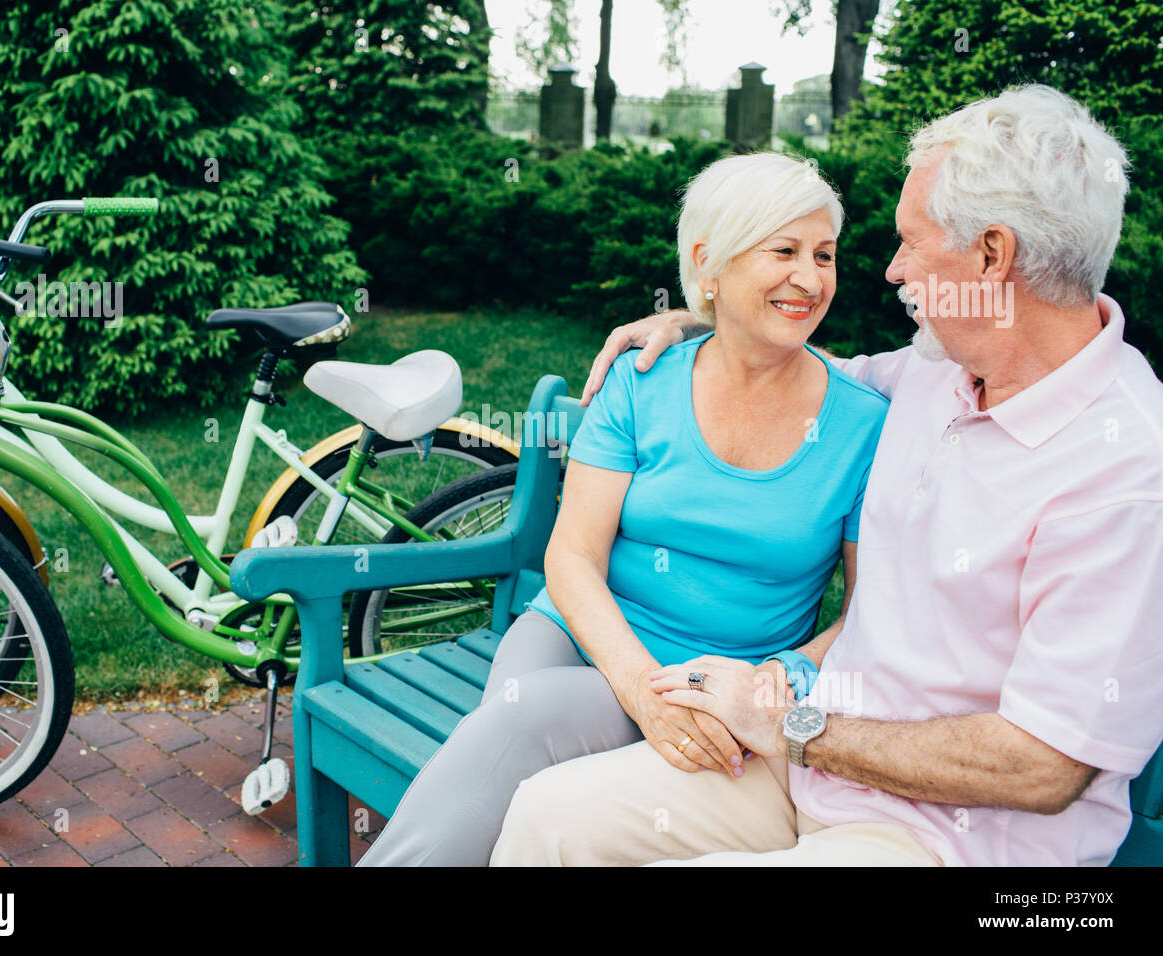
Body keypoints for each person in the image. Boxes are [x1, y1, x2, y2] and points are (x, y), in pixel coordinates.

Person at [489, 84, 1163, 868]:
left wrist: (793, 727)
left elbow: (1043, 766)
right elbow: (790, 364)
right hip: (808, 772)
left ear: (991, 254)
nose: (891, 269)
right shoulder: (933, 373)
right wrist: (700, 316)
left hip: (942, 836)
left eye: (913, 241)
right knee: (549, 820)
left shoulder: (1125, 470)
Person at [357, 152, 890, 866]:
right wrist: (641, 689)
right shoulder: (643, 385)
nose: (811, 277)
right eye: (784, 250)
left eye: (824, 254)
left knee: (521, 769)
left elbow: (868, 610)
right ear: (709, 262)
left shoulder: (862, 424)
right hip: (578, 637)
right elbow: (573, 556)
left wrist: (779, 678)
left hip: (722, 686)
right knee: (522, 721)